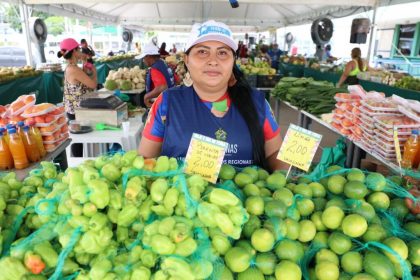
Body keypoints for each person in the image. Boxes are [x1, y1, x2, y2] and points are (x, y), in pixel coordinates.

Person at [138, 20, 288, 171]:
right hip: (183, 193)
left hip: (245, 195)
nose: (213, 61)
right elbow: (145, 159)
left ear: (233, 61)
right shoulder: (166, 103)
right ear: (187, 60)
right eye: (202, 52)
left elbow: (275, 152)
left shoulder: (257, 103)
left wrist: (288, 176)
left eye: (222, 53)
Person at [58, 38, 97, 156]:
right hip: (76, 112)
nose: (81, 51)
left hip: (75, 110)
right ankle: (77, 165)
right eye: (79, 49)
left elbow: (84, 86)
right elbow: (93, 85)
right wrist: (94, 70)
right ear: (74, 51)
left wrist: (85, 66)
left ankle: (78, 163)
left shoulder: (72, 67)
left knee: (78, 142)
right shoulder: (73, 69)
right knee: (77, 143)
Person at [139, 43, 175, 107]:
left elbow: (162, 87)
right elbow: (177, 80)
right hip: (171, 99)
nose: (143, 61)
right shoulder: (164, 63)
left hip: (163, 104)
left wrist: (146, 96)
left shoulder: (155, 69)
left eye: (144, 58)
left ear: (148, 56)